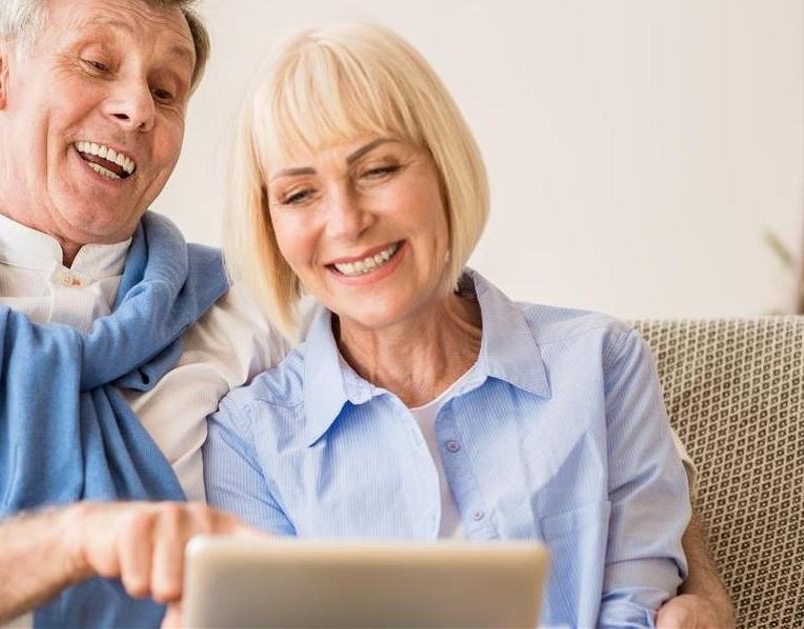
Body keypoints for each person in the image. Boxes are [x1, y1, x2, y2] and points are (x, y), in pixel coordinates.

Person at [0, 1, 731, 627]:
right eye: (96, 63)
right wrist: (76, 538)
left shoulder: (238, 315)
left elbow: (569, 436)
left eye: (166, 89)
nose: (136, 107)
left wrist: (700, 589)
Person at [204, 21, 731, 628]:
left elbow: (635, 606)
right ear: (268, 224)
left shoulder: (602, 363)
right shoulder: (250, 438)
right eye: (299, 194)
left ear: (443, 167)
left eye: (377, 170)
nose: (346, 222)